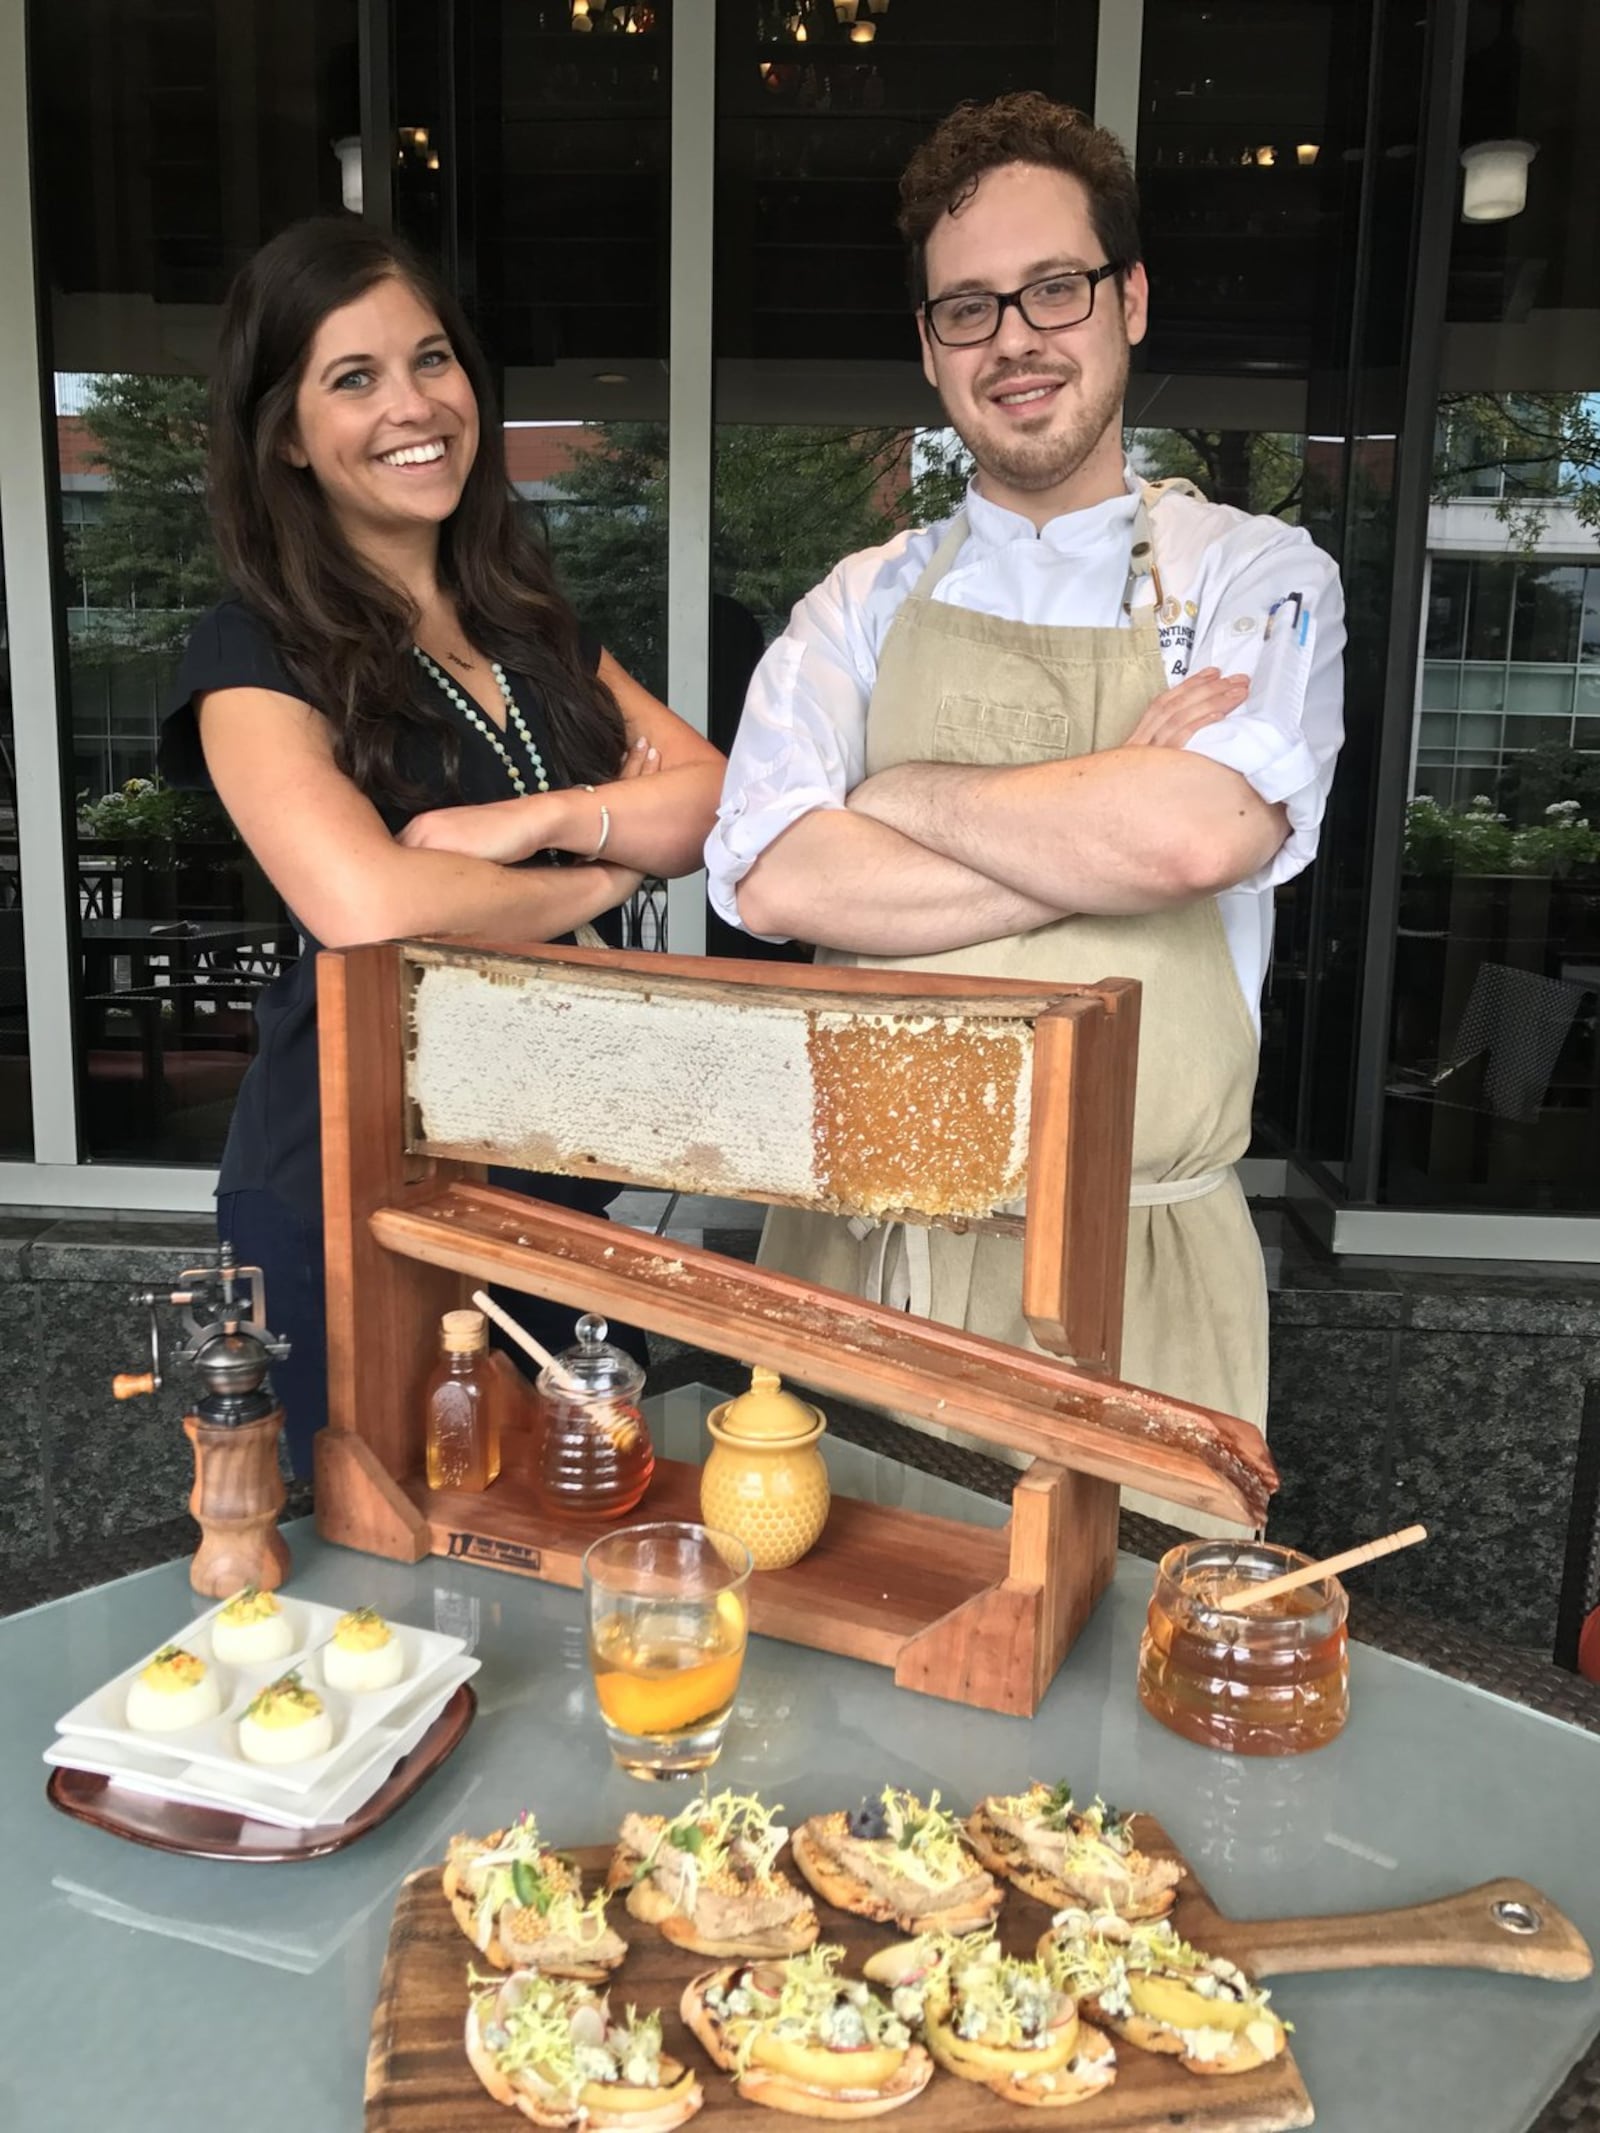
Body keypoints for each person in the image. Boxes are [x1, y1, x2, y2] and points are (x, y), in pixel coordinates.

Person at [704, 94, 1345, 1513]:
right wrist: (1103, 840)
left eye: (1053, 288)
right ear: (931, 348)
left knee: (1128, 1695)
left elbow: (1196, 835)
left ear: (1127, 300)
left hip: (1138, 1274)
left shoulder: (1257, 578)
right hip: (860, 1261)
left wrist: (899, 789)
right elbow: (772, 877)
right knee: (832, 1688)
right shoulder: (856, 603)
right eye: (968, 308)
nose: (1015, 339)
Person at [161, 219, 724, 1477]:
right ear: (288, 437)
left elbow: (716, 802)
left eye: (432, 360)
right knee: (372, 1552)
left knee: (575, 1516)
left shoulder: (528, 626)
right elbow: (362, 899)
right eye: (352, 377)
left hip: (552, 1161)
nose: (413, 405)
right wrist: (605, 870)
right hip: (350, 1182)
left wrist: (531, 822)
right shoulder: (255, 650)